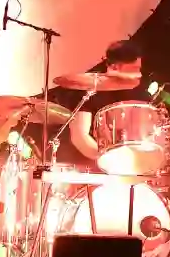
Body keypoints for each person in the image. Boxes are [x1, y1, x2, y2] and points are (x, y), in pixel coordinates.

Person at [60, 39, 148, 167]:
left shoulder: (139, 94)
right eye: (134, 68)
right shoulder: (89, 89)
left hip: (131, 165)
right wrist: (110, 161)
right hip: (92, 167)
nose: (139, 74)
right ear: (114, 67)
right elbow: (80, 137)